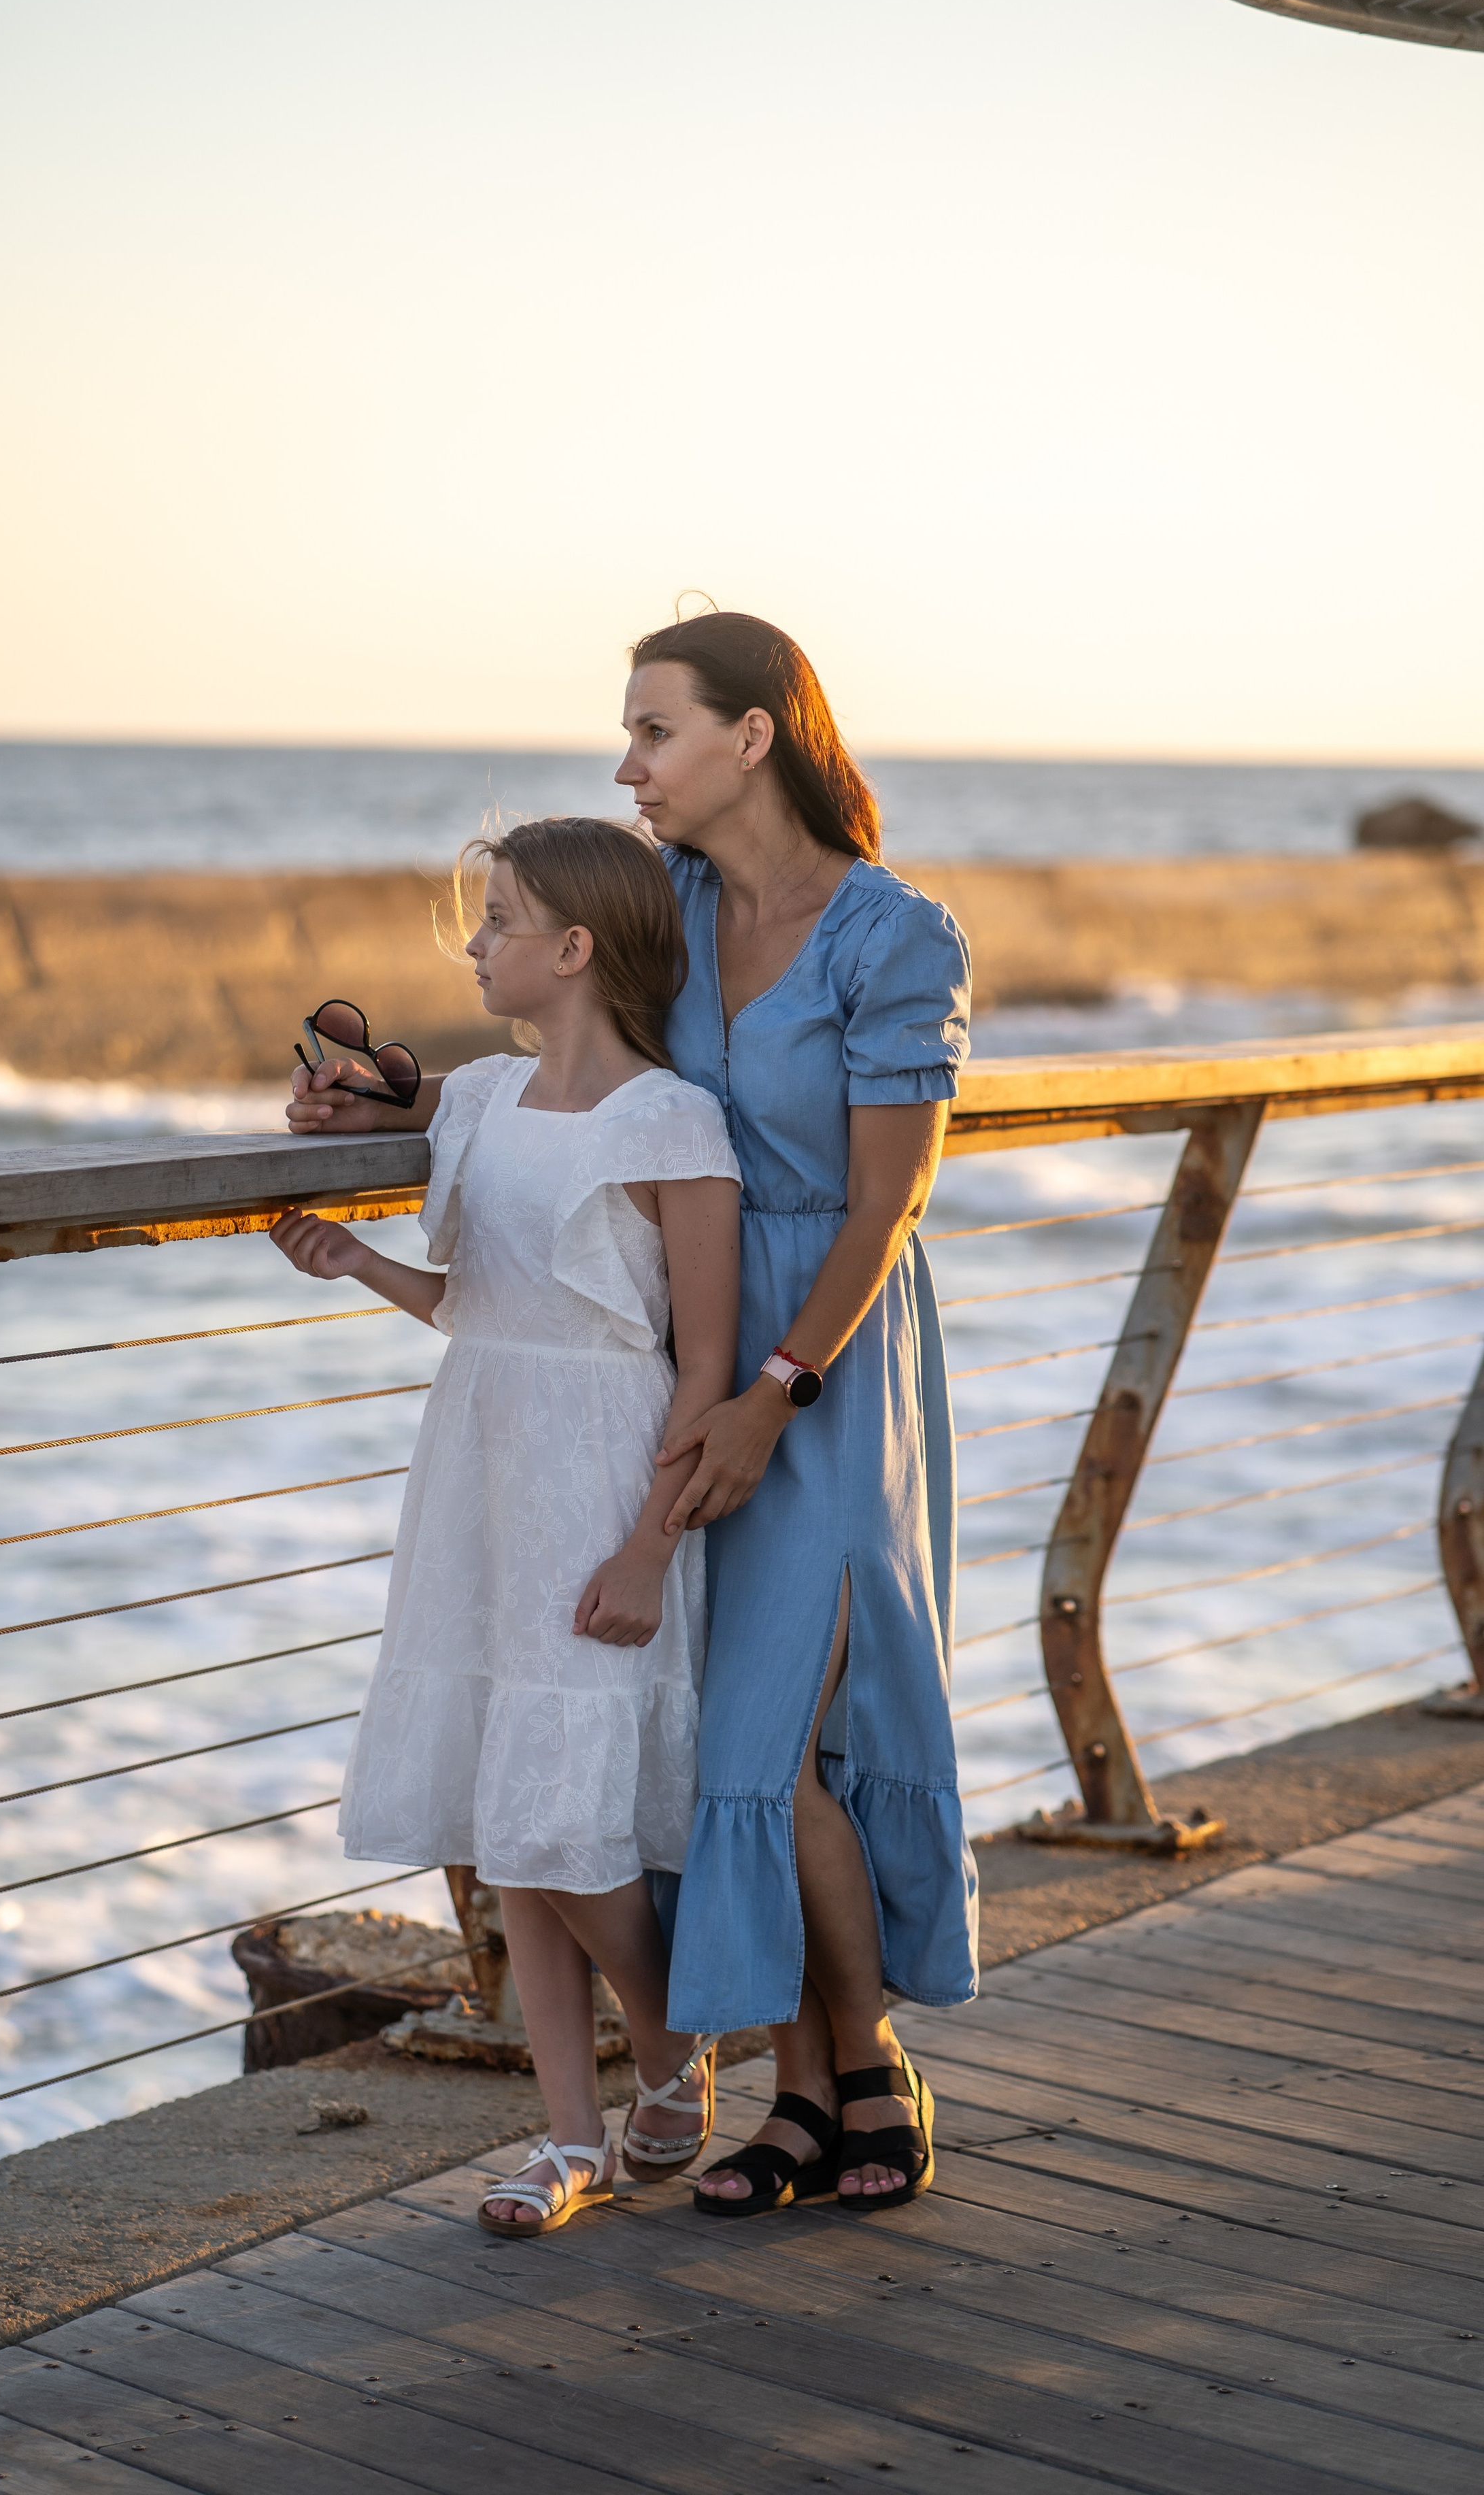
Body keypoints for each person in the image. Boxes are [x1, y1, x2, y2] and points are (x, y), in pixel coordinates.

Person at [273, 817, 741, 2235]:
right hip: (477, 1460)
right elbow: (474, 1302)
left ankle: (666, 2052)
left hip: (602, 1472)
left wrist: (651, 1546)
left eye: (494, 922)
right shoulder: (474, 1100)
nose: (472, 946)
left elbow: (705, 1362)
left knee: (558, 1826)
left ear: (574, 948)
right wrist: (358, 1257)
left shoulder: (671, 1119)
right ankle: (567, 2140)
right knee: (504, 1814)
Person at [619, 611, 976, 2217]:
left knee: (782, 1731)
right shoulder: (666, 911)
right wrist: (394, 1100)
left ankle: (856, 2073)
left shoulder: (890, 935)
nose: (627, 766)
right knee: (732, 1737)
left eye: (652, 731)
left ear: (750, 736)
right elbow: (578, 1074)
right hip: (689, 1351)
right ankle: (818, 2085)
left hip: (826, 1361)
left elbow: (884, 1206)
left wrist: (777, 1391)